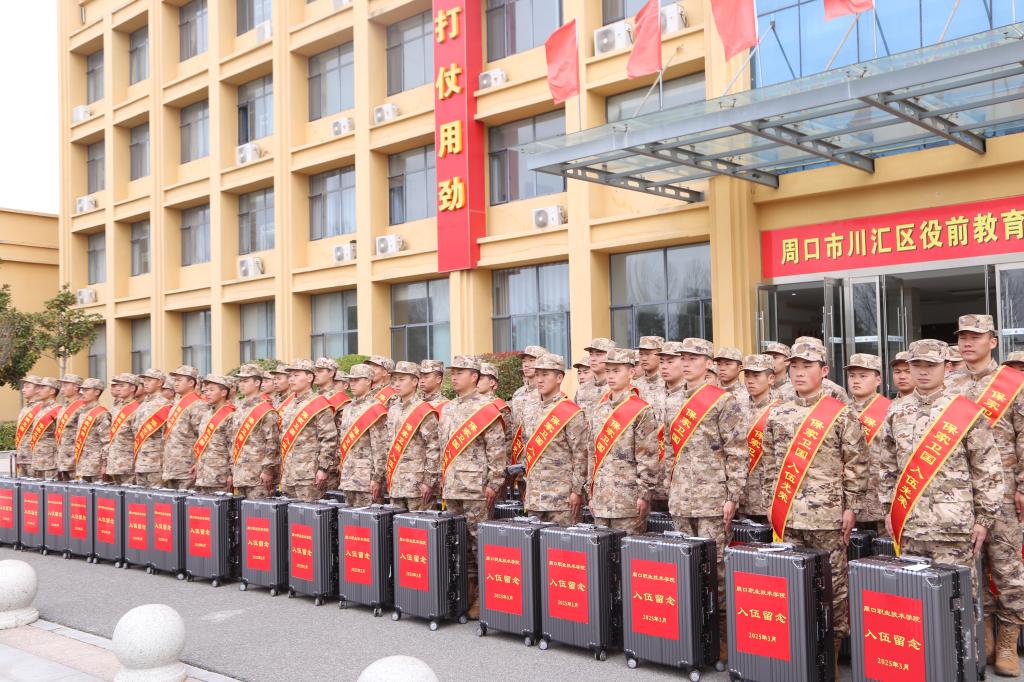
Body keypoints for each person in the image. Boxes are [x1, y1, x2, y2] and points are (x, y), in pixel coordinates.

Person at [878, 339, 1005, 670]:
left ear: (946, 367)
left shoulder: (964, 411)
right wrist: (889, 509)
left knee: (959, 603)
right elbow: (886, 466)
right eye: (916, 365)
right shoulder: (896, 411)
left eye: (930, 365)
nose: (922, 372)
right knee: (914, 604)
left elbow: (988, 468)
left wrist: (984, 519)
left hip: (954, 527)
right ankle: (922, 668)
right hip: (911, 526)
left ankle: (963, 669)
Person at [760, 341, 868, 670]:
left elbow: (857, 463)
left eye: (807, 366)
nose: (799, 372)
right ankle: (799, 652)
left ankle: (831, 653)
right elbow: (769, 463)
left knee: (834, 587)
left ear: (823, 371)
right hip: (788, 515)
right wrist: (770, 503)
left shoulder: (840, 412)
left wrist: (852, 506)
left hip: (828, 516)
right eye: (794, 366)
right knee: (793, 585)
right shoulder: (778, 412)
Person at [660, 338, 746, 661]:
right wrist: (670, 487)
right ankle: (692, 633)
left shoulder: (723, 402)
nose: (686, 363)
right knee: (685, 567)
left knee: (717, 570)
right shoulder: (672, 402)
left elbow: (737, 451)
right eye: (683, 357)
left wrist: (732, 496)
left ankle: (722, 638)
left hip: (713, 499)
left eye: (693, 358)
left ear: (708, 363)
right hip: (681, 499)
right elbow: (669, 450)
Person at [949, 314, 1024, 674]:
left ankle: (1008, 641)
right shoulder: (949, 383)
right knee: (970, 569)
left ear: (992, 342)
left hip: (1005, 493)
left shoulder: (1013, 384)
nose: (967, 342)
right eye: (963, 336)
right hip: (960, 496)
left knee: (1007, 567)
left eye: (975, 337)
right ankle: (985, 635)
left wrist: (1022, 485)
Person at [438, 355, 507, 619]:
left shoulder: (486, 408)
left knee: (480, 545)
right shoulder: (448, 408)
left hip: (476, 488)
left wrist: (494, 483)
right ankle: (463, 594)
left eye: (460, 372)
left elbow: (496, 450)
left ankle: (483, 597)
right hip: (453, 486)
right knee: (458, 544)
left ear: (474, 376)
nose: (454, 377)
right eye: (452, 372)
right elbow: (443, 447)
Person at [587, 348, 660, 535]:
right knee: (600, 550)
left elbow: (648, 457)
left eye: (617, 370)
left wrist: (644, 495)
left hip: (629, 501)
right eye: (608, 371)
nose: (611, 376)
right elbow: (592, 454)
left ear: (631, 372)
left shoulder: (641, 410)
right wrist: (591, 491)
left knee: (628, 551)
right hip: (601, 499)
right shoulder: (599, 410)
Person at [518, 353, 589, 526]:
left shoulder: (571, 412)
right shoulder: (529, 409)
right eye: (537, 375)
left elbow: (581, 455)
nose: (539, 380)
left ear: (559, 378)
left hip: (562, 498)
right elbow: (526, 449)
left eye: (545, 374)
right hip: (535, 497)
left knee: (563, 542)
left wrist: (577, 491)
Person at [278, 359, 339, 502]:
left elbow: (329, 439)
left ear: (310, 377)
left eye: (296, 375)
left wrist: (323, 469)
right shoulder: (289, 405)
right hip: (288, 474)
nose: (291, 379)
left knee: (308, 514)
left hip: (309, 475)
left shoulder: (318, 404)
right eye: (290, 376)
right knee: (288, 513)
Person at [845, 354, 891, 535]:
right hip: (848, 501)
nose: (856, 380)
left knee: (883, 550)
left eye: (863, 376)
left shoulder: (891, 410)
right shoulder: (840, 411)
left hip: (879, 500)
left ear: (878, 380)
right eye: (852, 376)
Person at [385, 360, 440, 511]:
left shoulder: (424, 410)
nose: (397, 384)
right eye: (395, 380)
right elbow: (388, 445)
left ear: (415, 381)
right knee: (396, 524)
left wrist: (429, 482)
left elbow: (433, 448)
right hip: (396, 483)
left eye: (402, 379)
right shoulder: (393, 410)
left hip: (417, 485)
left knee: (420, 525)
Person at [336, 364, 388, 507]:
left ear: (368, 381)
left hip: (366, 479)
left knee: (369, 518)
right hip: (348, 476)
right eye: (351, 380)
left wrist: (377, 478)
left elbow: (380, 448)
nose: (352, 384)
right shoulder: (347, 409)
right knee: (348, 518)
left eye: (357, 380)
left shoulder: (375, 408)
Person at [736, 354, 778, 522]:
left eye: (756, 375)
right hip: (741, 496)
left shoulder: (781, 409)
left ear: (771, 379)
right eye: (747, 375)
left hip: (767, 498)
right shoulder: (736, 407)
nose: (750, 381)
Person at [230, 364, 281, 499]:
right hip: (240, 473)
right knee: (240, 511)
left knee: (258, 511)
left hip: (258, 475)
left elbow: (272, 443)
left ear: (257, 382)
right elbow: (233, 440)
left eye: (246, 381)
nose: (241, 384)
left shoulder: (265, 410)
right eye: (240, 381)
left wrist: (267, 470)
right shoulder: (239, 408)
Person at [188, 375, 235, 493]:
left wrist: (232, 473)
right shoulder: (207, 414)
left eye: (211, 390)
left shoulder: (231, 415)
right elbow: (204, 443)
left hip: (220, 474)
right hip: (204, 474)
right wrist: (198, 463)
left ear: (223, 392)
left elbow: (233, 447)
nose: (207, 393)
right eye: (206, 390)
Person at [162, 365, 207, 490]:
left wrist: (199, 462)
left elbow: (203, 436)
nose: (175, 383)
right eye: (175, 380)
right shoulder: (177, 403)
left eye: (179, 380)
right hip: (172, 465)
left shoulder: (198, 405)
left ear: (191, 382)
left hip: (187, 466)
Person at [131, 369, 171, 487]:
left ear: (160, 383)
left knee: (156, 496)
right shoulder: (143, 404)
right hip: (140, 460)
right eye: (144, 380)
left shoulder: (165, 404)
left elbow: (167, 434)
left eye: (149, 380)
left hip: (156, 462)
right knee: (139, 496)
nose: (145, 383)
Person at [71, 378, 110, 482]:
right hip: (82, 465)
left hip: (95, 465)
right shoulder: (82, 412)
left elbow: (107, 441)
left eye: (86, 390)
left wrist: (105, 464)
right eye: (81, 390)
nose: (81, 392)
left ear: (97, 392)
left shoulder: (102, 414)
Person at [105, 373, 142, 484]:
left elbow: (138, 437)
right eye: (117, 385)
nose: (118, 388)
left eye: (122, 385)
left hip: (128, 463)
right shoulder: (115, 408)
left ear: (132, 388)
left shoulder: (137, 409)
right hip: (114, 462)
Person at [28, 378, 61, 479]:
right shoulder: (39, 409)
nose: (38, 391)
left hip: (50, 462)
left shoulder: (58, 410)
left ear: (52, 391)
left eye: (43, 388)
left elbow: (62, 437)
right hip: (36, 460)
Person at [54, 374, 86, 480]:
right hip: (63, 457)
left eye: (65, 385)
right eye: (61, 386)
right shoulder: (65, 406)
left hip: (75, 458)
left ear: (76, 387)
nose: (62, 389)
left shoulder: (83, 406)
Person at [575, 338, 615, 415]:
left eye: (598, 355)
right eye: (591, 354)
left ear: (611, 356)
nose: (593, 359)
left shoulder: (618, 387)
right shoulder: (582, 389)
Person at [13, 376, 43, 477]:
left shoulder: (42, 408)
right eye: (23, 387)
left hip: (35, 458)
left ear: (38, 389)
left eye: (27, 387)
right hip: (22, 457)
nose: (23, 389)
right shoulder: (25, 408)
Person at [634, 336, 666, 413]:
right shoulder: (635, 386)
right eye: (641, 354)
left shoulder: (669, 383)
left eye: (648, 354)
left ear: (661, 355)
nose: (644, 358)